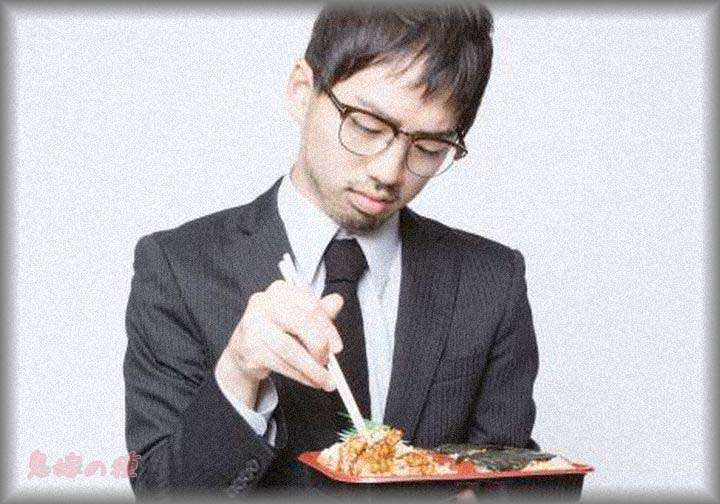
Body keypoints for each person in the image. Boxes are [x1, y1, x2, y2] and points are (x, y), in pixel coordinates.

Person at [123, 3, 539, 499]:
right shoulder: (178, 268)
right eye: (366, 125)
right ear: (303, 90)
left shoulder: (491, 281)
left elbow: (515, 475)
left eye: (429, 147)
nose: (389, 171)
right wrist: (238, 373)